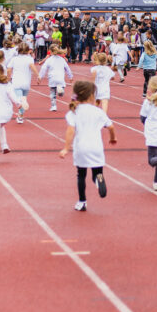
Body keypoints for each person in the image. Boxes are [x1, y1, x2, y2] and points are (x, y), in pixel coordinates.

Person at [59, 81, 117, 212]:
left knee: (81, 175)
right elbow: (111, 126)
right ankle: (98, 179)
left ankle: (82, 201)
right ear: (92, 96)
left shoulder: (74, 112)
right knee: (97, 172)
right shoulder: (98, 111)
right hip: (96, 147)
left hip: (81, 148)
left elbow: (70, 131)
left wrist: (66, 148)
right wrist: (113, 138)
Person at [8, 43, 39, 123]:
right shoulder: (29, 59)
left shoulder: (14, 59)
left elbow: (9, 69)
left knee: (19, 101)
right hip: (26, 83)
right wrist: (38, 76)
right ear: (28, 50)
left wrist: (8, 78)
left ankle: (21, 115)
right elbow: (32, 67)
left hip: (16, 82)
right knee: (23, 98)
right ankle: (20, 116)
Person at [38, 45, 73, 112]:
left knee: (52, 93)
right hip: (60, 78)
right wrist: (70, 77)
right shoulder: (62, 59)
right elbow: (67, 68)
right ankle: (61, 91)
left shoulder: (49, 60)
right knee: (60, 91)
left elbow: (43, 69)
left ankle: (54, 106)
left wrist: (40, 77)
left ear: (50, 51)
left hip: (52, 78)